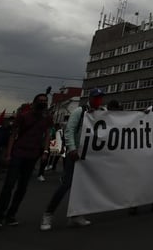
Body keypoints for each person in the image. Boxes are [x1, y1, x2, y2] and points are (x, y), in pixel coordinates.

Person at [40, 88, 104, 231]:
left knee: (85, 187)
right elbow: (69, 130)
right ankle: (48, 214)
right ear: (90, 98)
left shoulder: (102, 112)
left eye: (101, 97)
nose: (99, 100)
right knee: (66, 184)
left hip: (91, 156)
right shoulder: (79, 112)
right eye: (96, 97)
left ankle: (77, 215)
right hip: (75, 154)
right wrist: (72, 148)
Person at [0, 93, 52, 231]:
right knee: (9, 184)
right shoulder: (24, 116)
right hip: (18, 152)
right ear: (34, 102)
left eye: (45, 101)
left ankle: (11, 214)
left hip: (33, 154)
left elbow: (47, 135)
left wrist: (45, 151)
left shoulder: (47, 118)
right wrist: (8, 153)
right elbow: (14, 134)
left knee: (23, 187)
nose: (43, 102)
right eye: (41, 100)